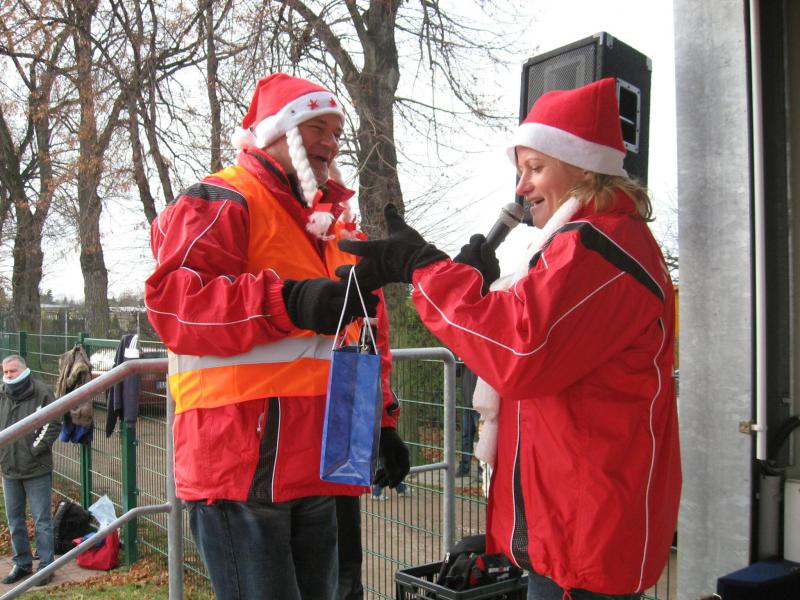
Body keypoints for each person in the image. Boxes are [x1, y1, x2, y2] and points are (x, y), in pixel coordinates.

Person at [339, 78, 681, 600]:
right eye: (520, 171)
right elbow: (533, 354)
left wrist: (425, 268)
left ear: (584, 168)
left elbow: (520, 350)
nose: (521, 187)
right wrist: (473, 284)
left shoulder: (600, 246)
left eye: (536, 168)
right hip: (569, 523)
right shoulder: (590, 243)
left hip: (584, 536)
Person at [144, 73, 409, 600]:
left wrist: (380, 423)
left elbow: (364, 331)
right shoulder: (221, 199)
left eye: (336, 132)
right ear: (278, 132)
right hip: (241, 463)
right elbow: (175, 305)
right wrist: (288, 301)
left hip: (324, 461)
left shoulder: (336, 226)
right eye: (317, 127)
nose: (331, 143)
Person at [0, 355, 60, 586]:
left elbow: (53, 422)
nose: (8, 375)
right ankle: (22, 564)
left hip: (36, 469)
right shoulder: (2, 394)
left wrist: (35, 449)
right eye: (5, 371)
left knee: (41, 520)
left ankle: (46, 567)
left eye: (13, 371)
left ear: (24, 370)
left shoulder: (42, 392)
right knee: (14, 520)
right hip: (9, 468)